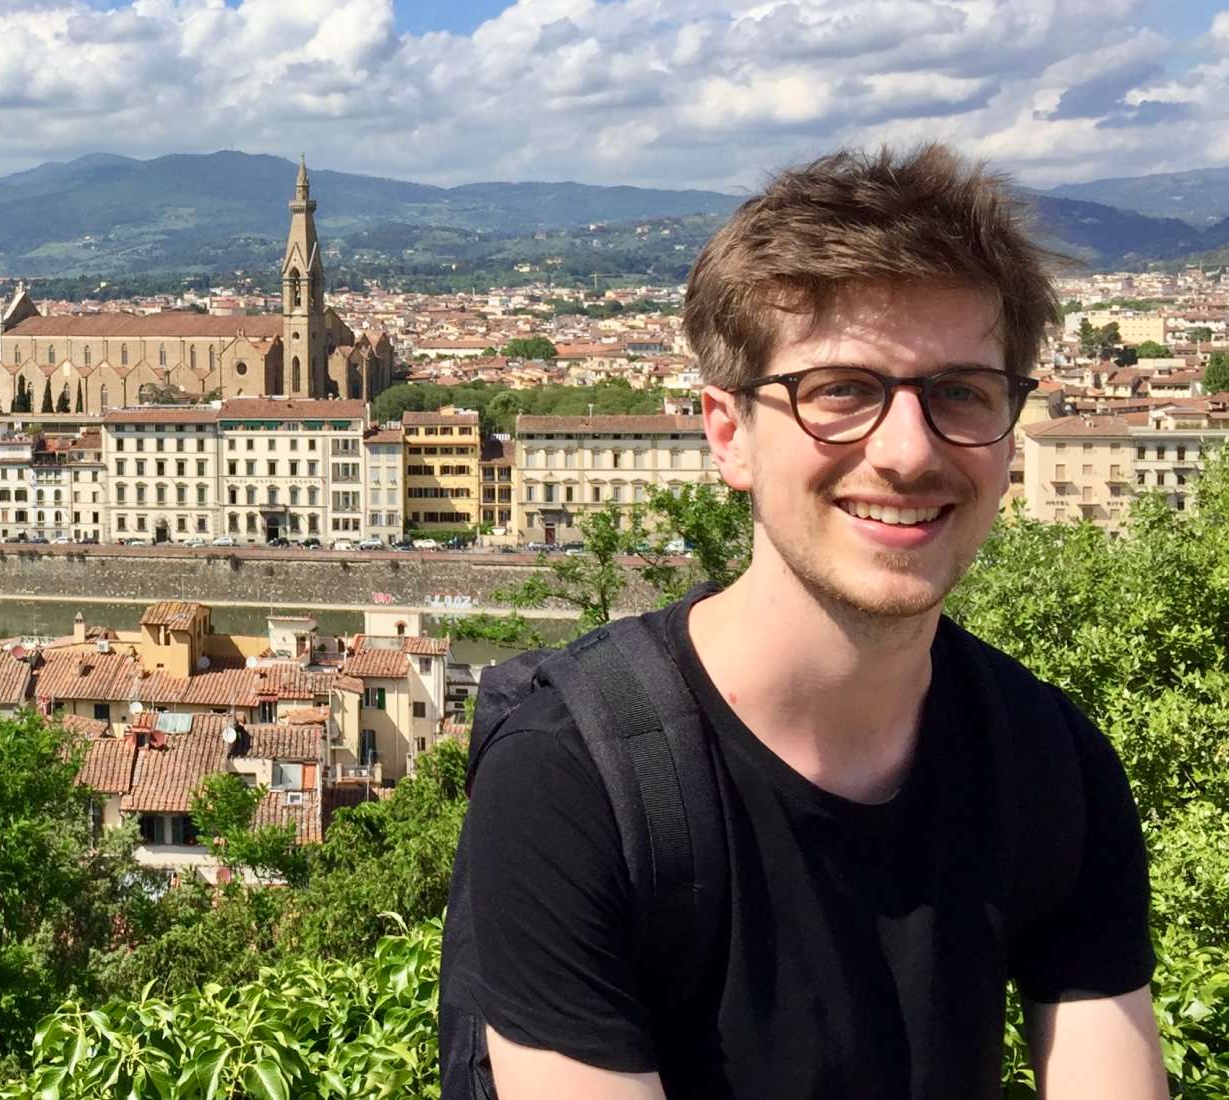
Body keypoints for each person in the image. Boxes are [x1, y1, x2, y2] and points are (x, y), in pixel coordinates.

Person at [443, 145, 1166, 1098]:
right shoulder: (574, 782)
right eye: (840, 391)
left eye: (961, 393)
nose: (909, 452)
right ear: (728, 432)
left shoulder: (1054, 762)